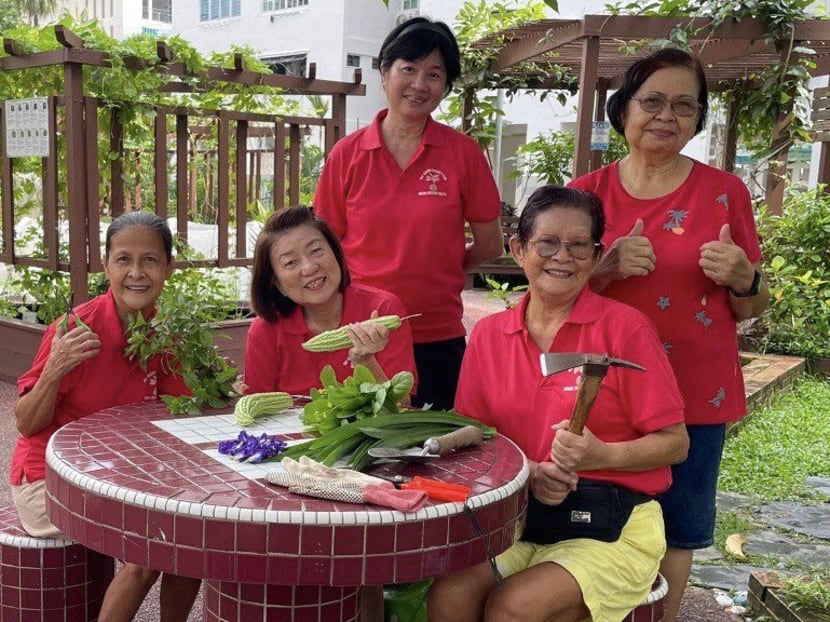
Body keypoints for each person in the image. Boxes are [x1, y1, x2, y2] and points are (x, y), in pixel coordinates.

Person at [568, 48, 769, 622]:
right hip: (601, 385)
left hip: (695, 391)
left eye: (684, 105)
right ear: (623, 109)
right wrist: (603, 270)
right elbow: (552, 295)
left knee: (679, 528)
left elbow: (753, 305)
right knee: (589, 518)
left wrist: (745, 278)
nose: (666, 115)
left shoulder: (725, 192)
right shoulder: (585, 194)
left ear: (698, 118)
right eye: (652, 101)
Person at [428, 186, 689, 622]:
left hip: (612, 524)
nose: (562, 257)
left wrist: (601, 455)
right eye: (547, 243)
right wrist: (531, 471)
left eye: (579, 245)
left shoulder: (626, 329)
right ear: (518, 249)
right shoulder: (490, 335)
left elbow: (675, 444)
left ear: (596, 254)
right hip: (521, 518)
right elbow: (478, 438)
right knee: (450, 595)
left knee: (514, 608)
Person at [9, 211, 201, 622]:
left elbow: (183, 412)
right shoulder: (75, 330)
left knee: (191, 534)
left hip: (120, 475)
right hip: (50, 480)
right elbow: (25, 424)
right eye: (123, 259)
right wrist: (54, 369)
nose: (137, 273)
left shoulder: (167, 330)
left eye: (150, 260)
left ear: (169, 267)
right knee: (152, 546)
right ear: (106, 265)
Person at [313, 16, 504, 410]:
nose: (419, 84)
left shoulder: (464, 154)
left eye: (434, 74)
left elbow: (490, 243)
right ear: (384, 72)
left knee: (434, 441)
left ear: (445, 87)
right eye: (409, 69)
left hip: (436, 336)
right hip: (362, 336)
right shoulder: (347, 155)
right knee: (354, 439)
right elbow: (325, 247)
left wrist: (442, 267)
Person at [243, 205, 416, 395]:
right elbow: (254, 406)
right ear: (277, 283)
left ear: (335, 252)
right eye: (290, 262)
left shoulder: (383, 309)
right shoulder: (265, 330)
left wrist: (366, 361)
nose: (309, 268)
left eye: (316, 250)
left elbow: (401, 404)